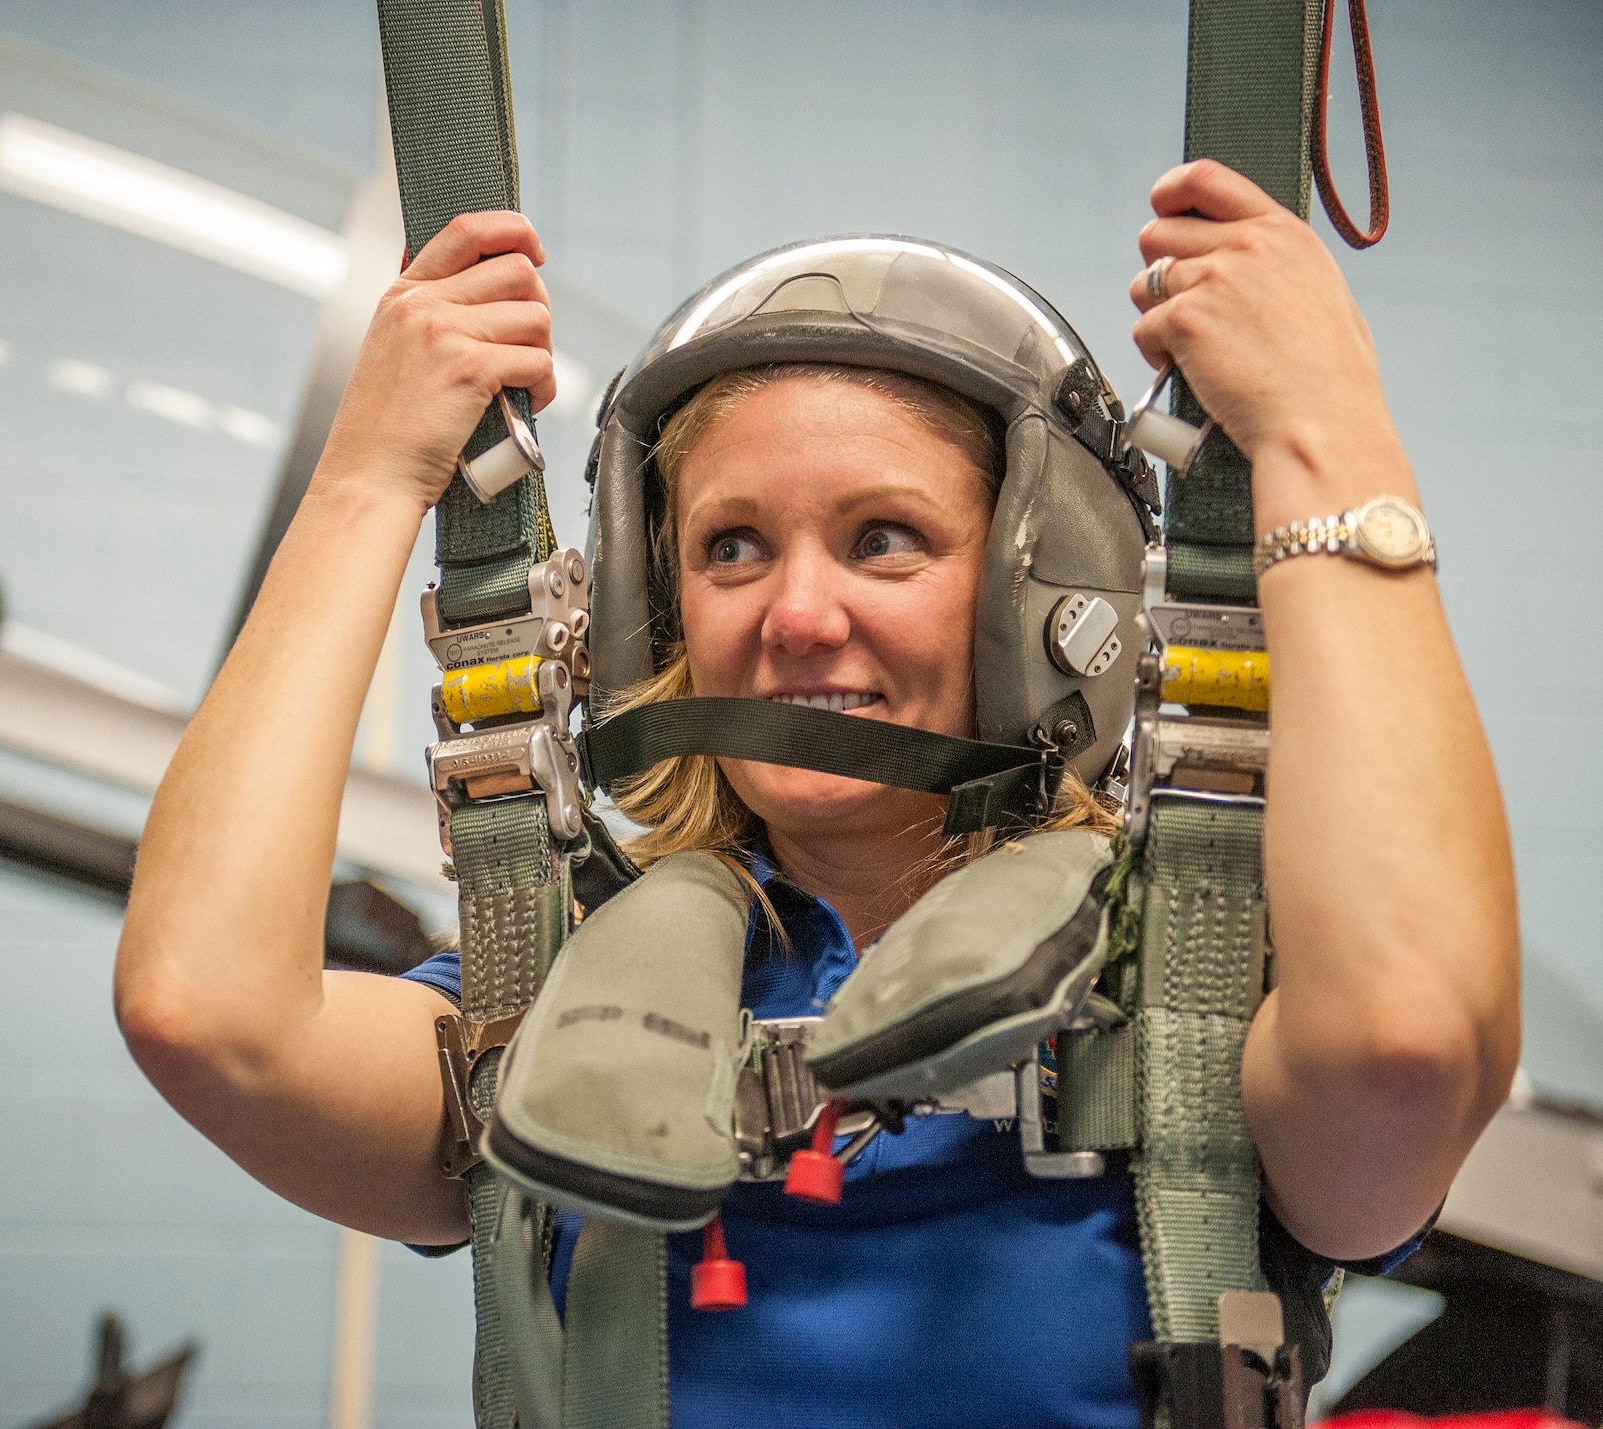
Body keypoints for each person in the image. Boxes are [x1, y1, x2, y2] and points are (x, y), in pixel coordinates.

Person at [113, 160, 1520, 1425]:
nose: (795, 613)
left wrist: (1330, 438)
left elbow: (1409, 1036)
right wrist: (370, 479)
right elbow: (205, 1010)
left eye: (883, 539)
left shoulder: (1201, 1015)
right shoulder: (550, 1014)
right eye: (731, 548)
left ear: (1045, 597)